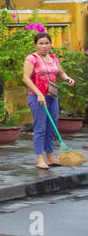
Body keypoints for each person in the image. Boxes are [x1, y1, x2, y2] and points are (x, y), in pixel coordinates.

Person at [23, 29, 74, 169]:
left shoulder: (53, 58)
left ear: (51, 44)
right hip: (37, 97)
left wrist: (67, 78)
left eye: (47, 43)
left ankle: (50, 157)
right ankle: (40, 158)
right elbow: (26, 78)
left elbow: (61, 73)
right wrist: (38, 93)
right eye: (41, 43)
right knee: (40, 128)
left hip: (52, 96)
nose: (44, 46)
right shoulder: (31, 59)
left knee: (51, 127)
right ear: (36, 45)